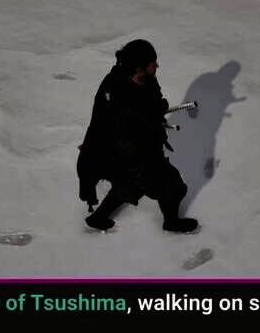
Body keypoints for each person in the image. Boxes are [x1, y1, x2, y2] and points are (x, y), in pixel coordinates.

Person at [78, 39, 199, 234]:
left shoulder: (145, 77)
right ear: (139, 67)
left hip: (139, 147)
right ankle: (171, 222)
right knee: (173, 186)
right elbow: (124, 129)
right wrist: (140, 170)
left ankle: (98, 217)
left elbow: (151, 101)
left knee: (129, 185)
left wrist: (157, 108)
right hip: (131, 153)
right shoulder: (116, 93)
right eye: (153, 63)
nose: (156, 66)